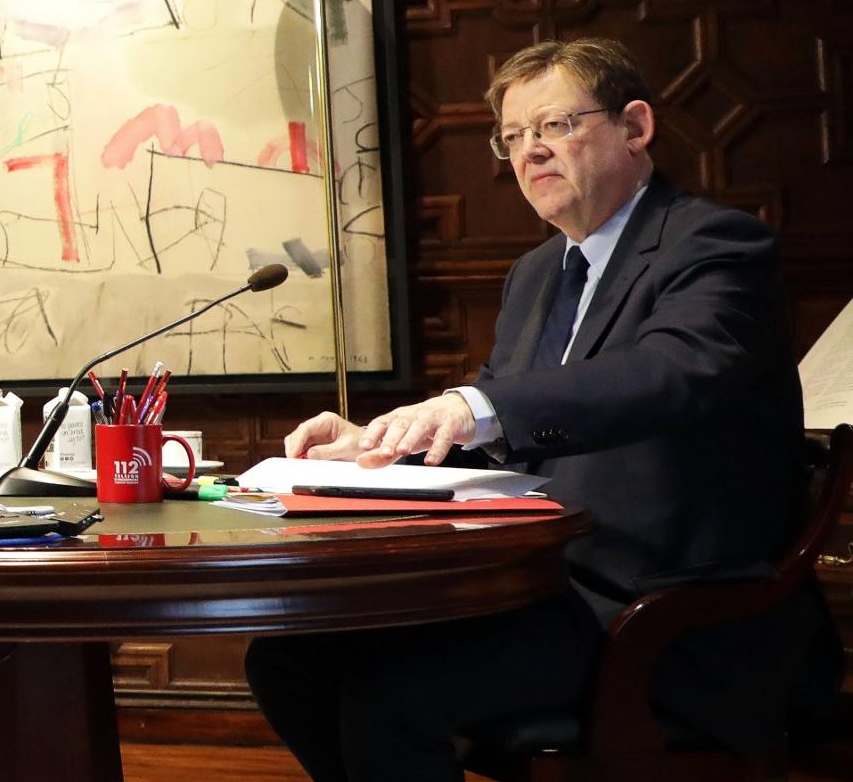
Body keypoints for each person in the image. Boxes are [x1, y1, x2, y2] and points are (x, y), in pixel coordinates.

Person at [245, 38, 838, 782]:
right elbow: (498, 430)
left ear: (635, 127)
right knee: (287, 657)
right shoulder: (536, 274)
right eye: (514, 137)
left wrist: (471, 406)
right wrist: (380, 443)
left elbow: (670, 373)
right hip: (541, 589)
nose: (530, 153)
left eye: (554, 125)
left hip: (663, 613)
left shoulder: (712, 244)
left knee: (389, 696)